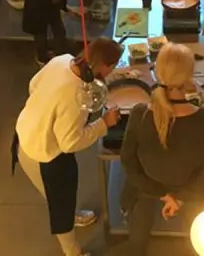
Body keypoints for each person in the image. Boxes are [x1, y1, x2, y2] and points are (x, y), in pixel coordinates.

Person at [13, 38, 123, 256]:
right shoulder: (75, 95)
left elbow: (33, 85)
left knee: (62, 199)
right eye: (114, 66)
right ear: (105, 66)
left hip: (24, 132)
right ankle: (73, 252)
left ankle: (73, 215)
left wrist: (46, 111)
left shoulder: (63, 60)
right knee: (60, 205)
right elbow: (70, 142)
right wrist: (104, 124)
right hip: (43, 155)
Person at [120, 43, 204, 256]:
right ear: (189, 78)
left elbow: (128, 161)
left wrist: (163, 195)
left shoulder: (139, 114)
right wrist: (179, 198)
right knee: (201, 243)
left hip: (146, 188)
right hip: (190, 190)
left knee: (137, 239)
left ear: (158, 74)